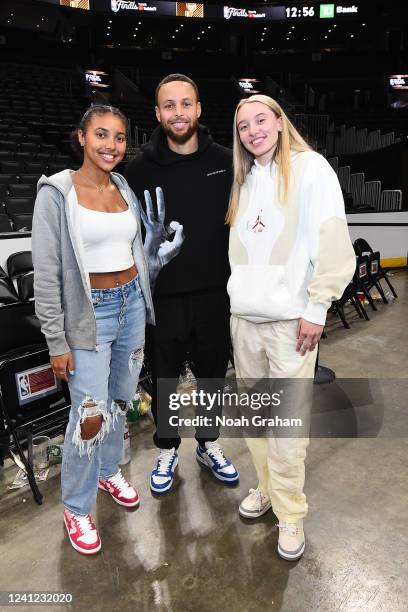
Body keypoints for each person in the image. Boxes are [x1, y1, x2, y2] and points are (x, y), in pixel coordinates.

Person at [32, 104, 183, 555]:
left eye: (118, 138)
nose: (111, 146)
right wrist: (57, 340)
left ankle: (108, 471)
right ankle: (77, 507)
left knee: (119, 401)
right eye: (101, 135)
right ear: (81, 137)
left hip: (131, 304)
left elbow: (136, 249)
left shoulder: (123, 187)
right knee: (90, 413)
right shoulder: (56, 193)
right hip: (88, 316)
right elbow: (46, 273)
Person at [226, 94, 356, 561]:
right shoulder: (246, 178)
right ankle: (267, 488)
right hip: (245, 322)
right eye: (243, 126)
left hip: (290, 326)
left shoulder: (311, 168)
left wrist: (317, 308)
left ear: (280, 122)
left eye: (261, 120)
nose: (253, 130)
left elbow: (333, 243)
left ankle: (292, 515)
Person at [125, 74, 239, 494]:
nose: (178, 113)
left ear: (199, 109)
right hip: (164, 299)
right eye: (169, 106)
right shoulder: (137, 169)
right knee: (166, 381)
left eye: (185, 104)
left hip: (215, 294)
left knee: (212, 376)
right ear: (157, 114)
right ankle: (167, 448)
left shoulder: (228, 161)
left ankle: (208, 443)